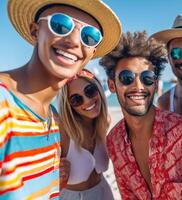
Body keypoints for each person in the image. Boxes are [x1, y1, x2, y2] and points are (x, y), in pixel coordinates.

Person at [0, 0, 121, 199]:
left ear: (92, 52)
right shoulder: (4, 103)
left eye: (89, 36)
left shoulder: (51, 122)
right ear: (35, 30)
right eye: (61, 25)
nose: (74, 41)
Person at [100, 31, 182, 200]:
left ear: (155, 84)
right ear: (112, 85)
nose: (138, 86)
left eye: (147, 78)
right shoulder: (114, 142)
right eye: (127, 78)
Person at [58, 69, 113, 199]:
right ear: (69, 106)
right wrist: (55, 173)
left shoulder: (104, 122)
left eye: (90, 91)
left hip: (104, 192)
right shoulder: (63, 131)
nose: (87, 101)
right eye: (76, 99)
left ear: (99, 88)